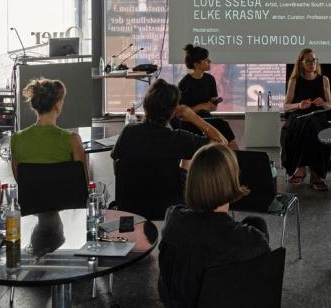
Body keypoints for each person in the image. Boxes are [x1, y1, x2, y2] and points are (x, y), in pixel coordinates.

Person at [158, 143, 270, 308]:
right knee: (257, 224)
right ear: (232, 179)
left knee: (255, 222)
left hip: (178, 301)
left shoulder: (173, 218)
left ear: (192, 181)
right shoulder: (252, 240)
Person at [112, 79, 226, 173]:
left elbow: (116, 162)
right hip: (170, 194)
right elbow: (221, 143)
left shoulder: (128, 132)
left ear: (146, 104)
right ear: (173, 112)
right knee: (187, 159)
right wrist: (192, 116)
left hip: (129, 194)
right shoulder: (179, 139)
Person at [10, 78, 86, 181]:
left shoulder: (16, 139)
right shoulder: (73, 139)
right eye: (62, 100)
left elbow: (20, 181)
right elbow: (83, 183)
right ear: (57, 105)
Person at [282, 48, 331, 191]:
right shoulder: (294, 80)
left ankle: (306, 170)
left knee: (313, 126)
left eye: (314, 60)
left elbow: (329, 105)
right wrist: (299, 105)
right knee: (306, 126)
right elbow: (286, 106)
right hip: (298, 116)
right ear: (301, 63)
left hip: (317, 116)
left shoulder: (324, 80)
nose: (312, 63)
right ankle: (309, 171)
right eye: (308, 61)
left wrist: (323, 103)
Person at [177, 45, 238, 150]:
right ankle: (236, 156)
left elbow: (213, 107)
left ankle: (235, 155)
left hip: (206, 118)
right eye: (205, 60)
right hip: (190, 122)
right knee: (223, 125)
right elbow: (181, 114)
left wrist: (212, 105)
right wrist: (201, 106)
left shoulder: (210, 79)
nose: (209, 61)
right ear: (197, 64)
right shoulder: (185, 83)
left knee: (222, 126)